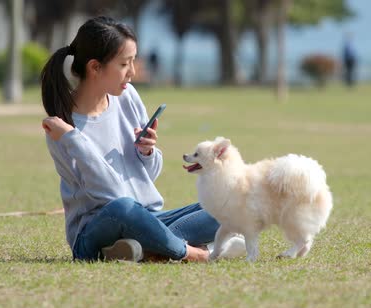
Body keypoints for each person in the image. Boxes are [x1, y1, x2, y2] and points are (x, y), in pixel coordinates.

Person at [40, 16, 242, 263]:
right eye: (125, 63)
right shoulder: (62, 129)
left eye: (133, 61)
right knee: (123, 208)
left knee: (227, 202)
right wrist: (74, 139)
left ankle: (146, 249)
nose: (133, 73)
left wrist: (147, 153)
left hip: (149, 219)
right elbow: (112, 197)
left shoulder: (127, 97)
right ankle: (190, 252)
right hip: (97, 230)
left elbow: (149, 177)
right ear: (95, 67)